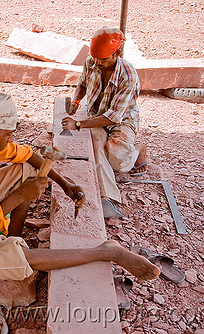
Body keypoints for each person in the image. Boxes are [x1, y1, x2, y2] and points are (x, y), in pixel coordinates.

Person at [0, 88, 160, 282]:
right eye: (7, 134)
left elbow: (27, 154)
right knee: (14, 258)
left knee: (29, 170)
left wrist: (65, 184)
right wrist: (18, 196)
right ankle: (106, 251)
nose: (11, 139)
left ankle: (13, 237)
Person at [61, 27, 148, 219]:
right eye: (96, 58)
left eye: (103, 59)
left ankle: (138, 150)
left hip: (121, 120)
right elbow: (82, 84)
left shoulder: (128, 75)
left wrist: (77, 125)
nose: (98, 63)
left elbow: (113, 117)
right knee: (97, 149)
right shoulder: (92, 62)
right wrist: (76, 101)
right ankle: (106, 198)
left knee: (116, 158)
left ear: (117, 53)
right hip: (96, 116)